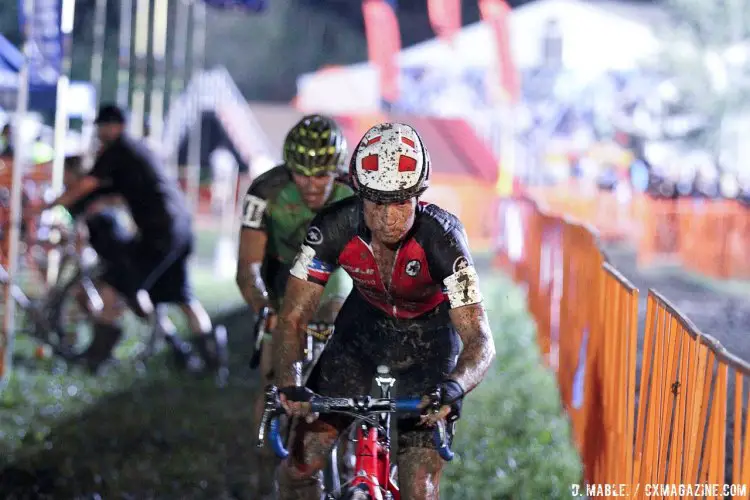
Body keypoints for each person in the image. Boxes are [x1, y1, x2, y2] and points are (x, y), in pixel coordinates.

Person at [273, 122, 496, 499]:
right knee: (300, 465)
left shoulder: (443, 238)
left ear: (420, 194)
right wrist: (289, 382)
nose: (388, 216)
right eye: (377, 201)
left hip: (430, 348)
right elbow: (293, 316)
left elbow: (480, 338)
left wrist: (453, 387)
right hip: (361, 337)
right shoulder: (333, 226)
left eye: (401, 201)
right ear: (358, 192)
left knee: (418, 488)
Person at [36, 104, 226, 377]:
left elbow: (87, 185)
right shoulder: (138, 152)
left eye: (101, 128)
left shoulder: (118, 150)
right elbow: (112, 192)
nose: (98, 135)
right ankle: (213, 364)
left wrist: (48, 206)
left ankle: (96, 358)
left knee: (116, 285)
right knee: (183, 297)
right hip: (181, 228)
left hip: (159, 231)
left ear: (112, 126)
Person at [235, 114, 354, 495]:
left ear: (338, 169)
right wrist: (263, 310)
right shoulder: (265, 189)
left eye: (322, 175)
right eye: (302, 174)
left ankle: (350, 448)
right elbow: (248, 267)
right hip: (283, 274)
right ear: (288, 168)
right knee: (273, 376)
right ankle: (263, 464)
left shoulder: (356, 190)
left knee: (346, 342)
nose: (312, 184)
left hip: (334, 272)